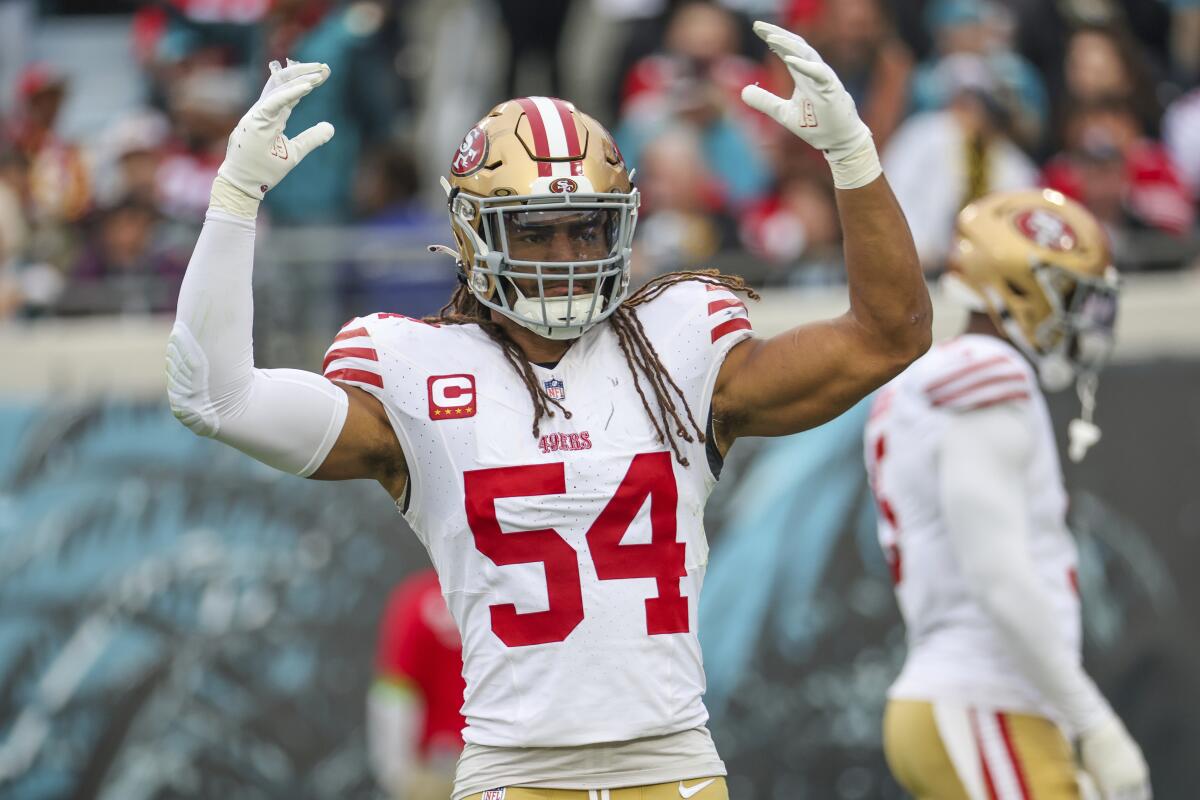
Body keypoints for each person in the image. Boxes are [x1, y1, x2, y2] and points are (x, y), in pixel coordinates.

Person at [166, 23, 931, 800]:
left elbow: (889, 335)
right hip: (514, 775)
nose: (568, 253)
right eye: (536, 231)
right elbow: (212, 395)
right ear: (471, 234)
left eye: (588, 226)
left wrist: (854, 160)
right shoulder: (419, 369)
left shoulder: (682, 347)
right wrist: (234, 200)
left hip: (675, 770)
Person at [863, 189, 1151, 800]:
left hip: (982, 699)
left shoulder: (928, 383)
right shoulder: (987, 372)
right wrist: (1094, 721)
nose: (1084, 317)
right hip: (982, 697)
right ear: (1018, 287)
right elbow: (998, 578)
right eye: (1070, 294)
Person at [369, 568, 466, 800]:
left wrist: (397, 773)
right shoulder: (509, 590)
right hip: (502, 760)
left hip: (438, 765)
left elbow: (393, 692)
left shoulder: (417, 597)